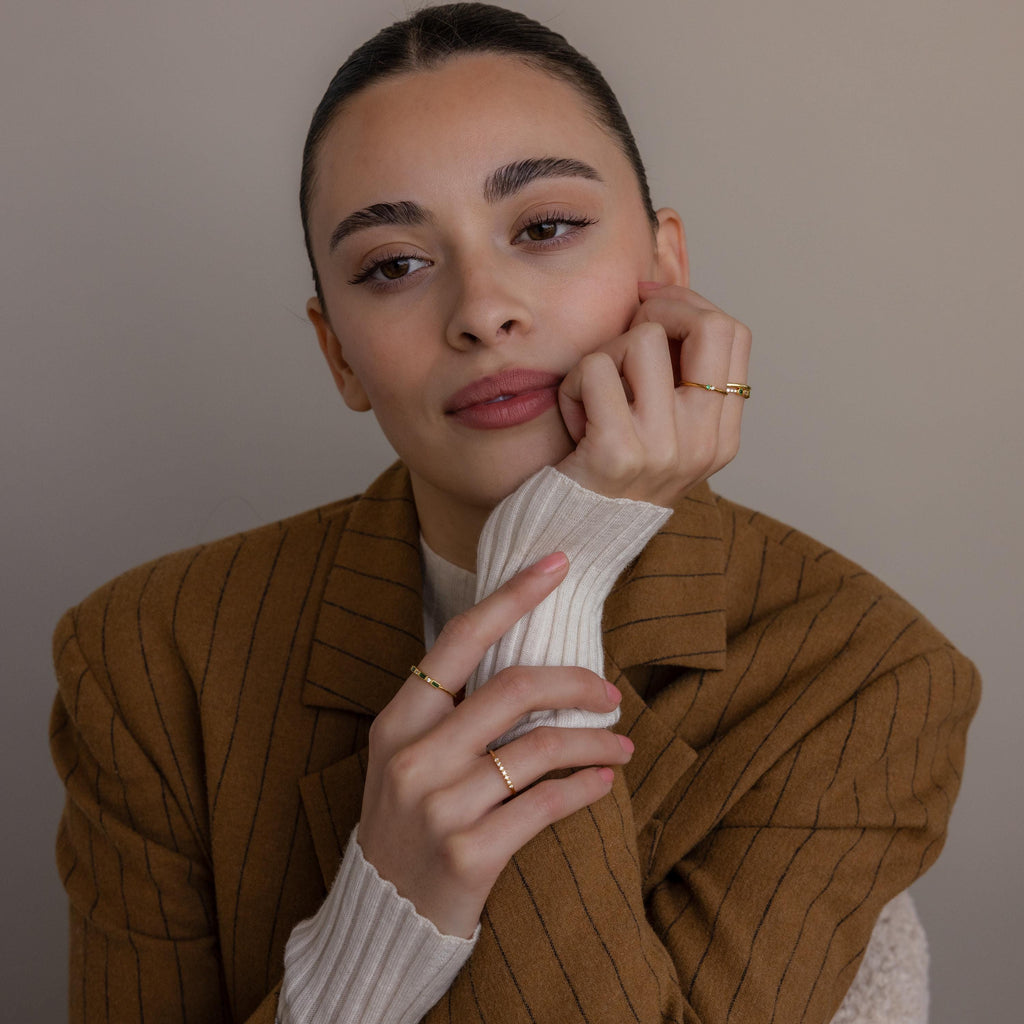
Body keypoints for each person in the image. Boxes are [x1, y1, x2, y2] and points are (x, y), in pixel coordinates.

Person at [49, 4, 978, 1022]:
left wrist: (556, 571)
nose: (481, 309)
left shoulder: (867, 674)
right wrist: (383, 921)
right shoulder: (151, 652)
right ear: (337, 355)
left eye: (544, 227)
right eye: (393, 264)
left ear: (663, 270)